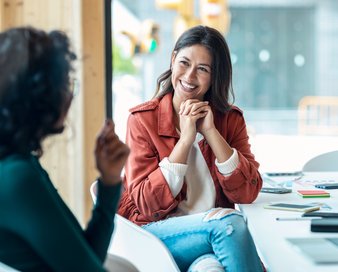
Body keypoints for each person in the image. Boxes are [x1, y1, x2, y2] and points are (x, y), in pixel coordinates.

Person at [118, 25, 265, 272]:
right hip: (157, 235)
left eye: (203, 69)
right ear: (173, 59)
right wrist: (185, 141)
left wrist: (210, 132)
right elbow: (146, 205)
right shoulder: (142, 120)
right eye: (184, 63)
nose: (189, 76)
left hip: (209, 239)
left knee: (209, 268)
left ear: (215, 75)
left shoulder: (230, 120)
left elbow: (247, 193)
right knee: (230, 224)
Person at [0, 26, 137, 272]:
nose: (70, 96)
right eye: (66, 84)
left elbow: (89, 256)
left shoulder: (19, 164)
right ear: (41, 97)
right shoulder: (17, 177)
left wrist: (109, 182)